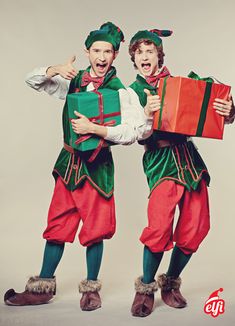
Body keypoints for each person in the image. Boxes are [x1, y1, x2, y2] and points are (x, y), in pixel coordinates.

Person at [4, 22, 152, 310]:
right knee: (57, 225)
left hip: (97, 168)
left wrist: (96, 129)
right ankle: (42, 287)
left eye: (107, 51)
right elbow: (32, 81)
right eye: (96, 50)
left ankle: (91, 290)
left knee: (95, 229)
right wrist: (53, 70)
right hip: (69, 164)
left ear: (115, 55)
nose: (101, 56)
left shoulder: (122, 92)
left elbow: (134, 133)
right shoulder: (74, 80)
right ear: (87, 52)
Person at [127, 28, 234, 317]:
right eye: (140, 53)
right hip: (160, 161)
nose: (145, 56)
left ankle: (170, 283)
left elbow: (206, 115)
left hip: (190, 159)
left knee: (196, 226)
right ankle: (146, 287)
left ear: (159, 55)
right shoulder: (131, 92)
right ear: (134, 59)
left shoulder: (180, 84)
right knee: (159, 227)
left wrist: (229, 110)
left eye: (150, 51)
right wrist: (146, 114)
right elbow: (132, 134)